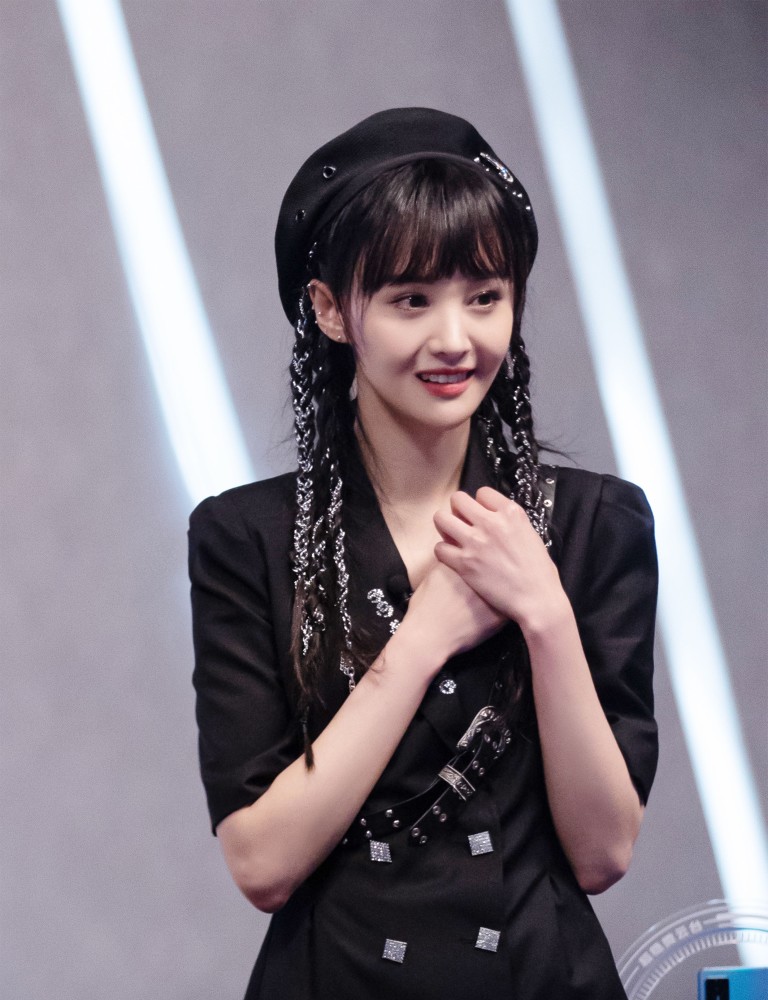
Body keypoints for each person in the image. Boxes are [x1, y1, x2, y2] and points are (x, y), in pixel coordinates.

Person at [188, 107, 658, 1000]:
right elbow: (261, 862)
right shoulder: (246, 538)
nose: (455, 339)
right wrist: (422, 639)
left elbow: (604, 853)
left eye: (485, 297)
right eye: (412, 300)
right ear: (331, 310)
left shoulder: (596, 522)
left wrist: (547, 615)